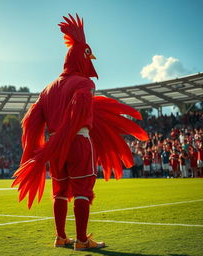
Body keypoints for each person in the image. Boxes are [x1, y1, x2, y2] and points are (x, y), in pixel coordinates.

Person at [12, 14, 148, 251]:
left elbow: (31, 122)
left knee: (60, 191)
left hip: (55, 147)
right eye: (88, 53)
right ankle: (83, 240)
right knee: (83, 189)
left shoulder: (47, 90)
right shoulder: (84, 84)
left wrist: (42, 149)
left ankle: (61, 237)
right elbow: (78, 115)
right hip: (77, 142)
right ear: (80, 57)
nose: (92, 58)